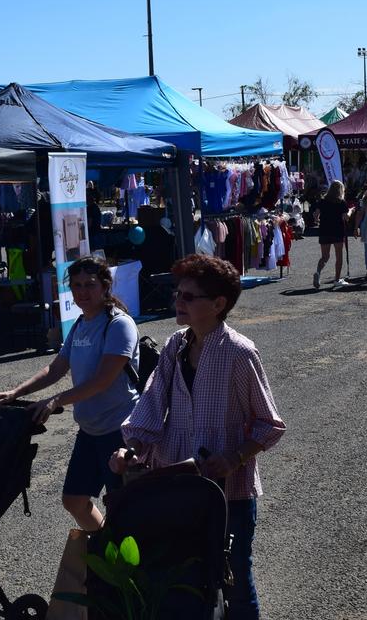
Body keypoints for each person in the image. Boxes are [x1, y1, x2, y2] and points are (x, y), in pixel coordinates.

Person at [114, 254, 286, 620]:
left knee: (236, 581)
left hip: (228, 493)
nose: (178, 302)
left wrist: (234, 457)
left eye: (188, 297)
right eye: (178, 294)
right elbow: (151, 403)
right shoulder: (175, 345)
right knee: (183, 578)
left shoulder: (240, 353)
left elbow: (268, 423)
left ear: (219, 304)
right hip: (177, 485)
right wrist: (130, 449)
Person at [0, 256, 140, 531]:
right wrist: (16, 392)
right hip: (90, 430)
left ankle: (128, 563)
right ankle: (105, 544)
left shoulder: (119, 325)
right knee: (73, 500)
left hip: (119, 430)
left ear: (106, 286)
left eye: (90, 285)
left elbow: (102, 381)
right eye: (77, 285)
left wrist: (55, 400)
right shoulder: (80, 324)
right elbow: (56, 368)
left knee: (125, 506)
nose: (82, 292)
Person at [314, 182, 349, 289]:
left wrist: (318, 220)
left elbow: (316, 215)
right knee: (339, 256)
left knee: (325, 256)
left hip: (324, 230)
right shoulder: (341, 202)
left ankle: (318, 272)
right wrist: (350, 212)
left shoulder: (323, 201)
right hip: (337, 231)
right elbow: (345, 217)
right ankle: (337, 279)